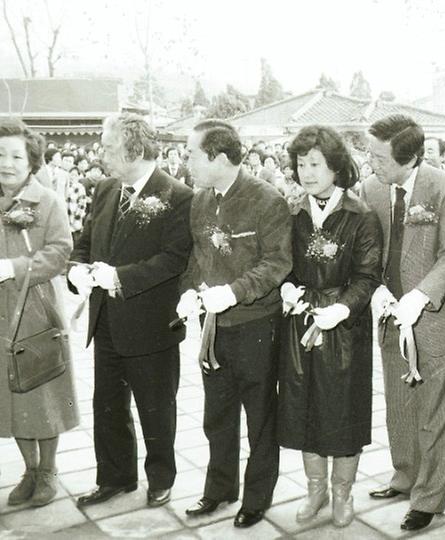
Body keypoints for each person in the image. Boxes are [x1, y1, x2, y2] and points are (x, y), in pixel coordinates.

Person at [68, 113, 193, 510]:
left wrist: (119, 277)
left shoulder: (176, 195)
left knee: (156, 408)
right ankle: (115, 477)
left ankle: (161, 478)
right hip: (105, 320)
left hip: (150, 324)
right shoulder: (105, 189)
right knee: (106, 405)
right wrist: (78, 271)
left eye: (107, 147)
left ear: (135, 150)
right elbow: (85, 242)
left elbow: (174, 259)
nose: (99, 153)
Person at [178, 120, 292, 529]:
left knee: (260, 417)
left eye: (191, 153)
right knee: (217, 414)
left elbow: (277, 262)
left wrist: (235, 291)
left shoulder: (267, 200)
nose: (185, 160)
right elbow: (197, 256)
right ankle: (219, 488)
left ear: (219, 157)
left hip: (256, 325)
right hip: (213, 327)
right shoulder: (199, 200)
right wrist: (190, 290)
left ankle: (256, 497)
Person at [360, 114, 445, 532]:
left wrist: (421, 296)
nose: (372, 164)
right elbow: (367, 249)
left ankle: (429, 497)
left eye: (380, 157)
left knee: (435, 410)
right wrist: (375, 289)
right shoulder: (370, 188)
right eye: (369, 154)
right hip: (388, 315)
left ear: (410, 159)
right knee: (398, 403)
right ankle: (405, 474)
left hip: (432, 316)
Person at [276, 125, 382, 527]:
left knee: (342, 409)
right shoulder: (294, 211)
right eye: (301, 164)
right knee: (302, 406)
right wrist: (287, 288)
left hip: (344, 327)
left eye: (315, 164)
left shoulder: (360, 215)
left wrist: (341, 309)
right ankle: (315, 489)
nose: (307, 172)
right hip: (301, 321)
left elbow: (367, 276)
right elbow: (283, 263)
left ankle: (342, 492)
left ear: (335, 167)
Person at [0, 120, 78, 507]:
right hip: (0, 316)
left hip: (34, 311)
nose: (7, 163)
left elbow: (60, 251)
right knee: (11, 397)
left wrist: (13, 267)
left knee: (42, 391)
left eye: (15, 155)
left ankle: (47, 470)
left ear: (31, 160)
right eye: (0, 154)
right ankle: (29, 469)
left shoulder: (46, 201)